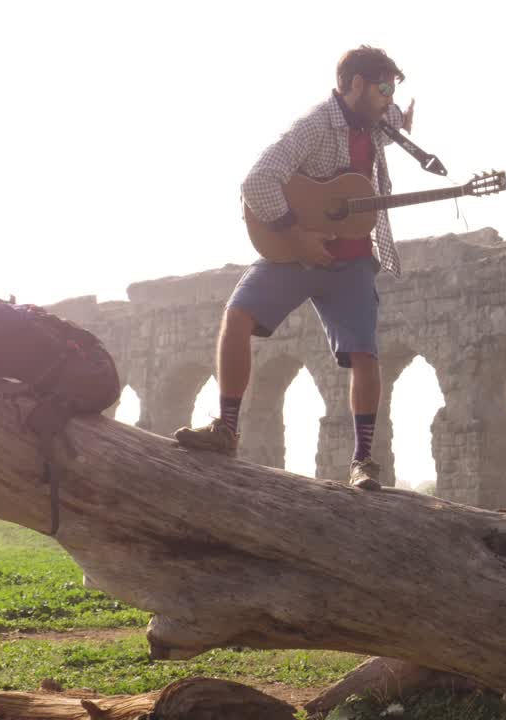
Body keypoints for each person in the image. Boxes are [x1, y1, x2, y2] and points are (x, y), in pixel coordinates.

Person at [174, 46, 416, 490]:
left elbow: (397, 117)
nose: (389, 98)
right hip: (297, 250)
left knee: (365, 353)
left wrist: (402, 116)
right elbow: (257, 180)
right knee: (237, 316)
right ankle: (227, 429)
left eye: (393, 91)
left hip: (353, 262)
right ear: (355, 84)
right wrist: (297, 234)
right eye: (383, 88)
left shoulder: (379, 120)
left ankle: (364, 461)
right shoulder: (313, 126)